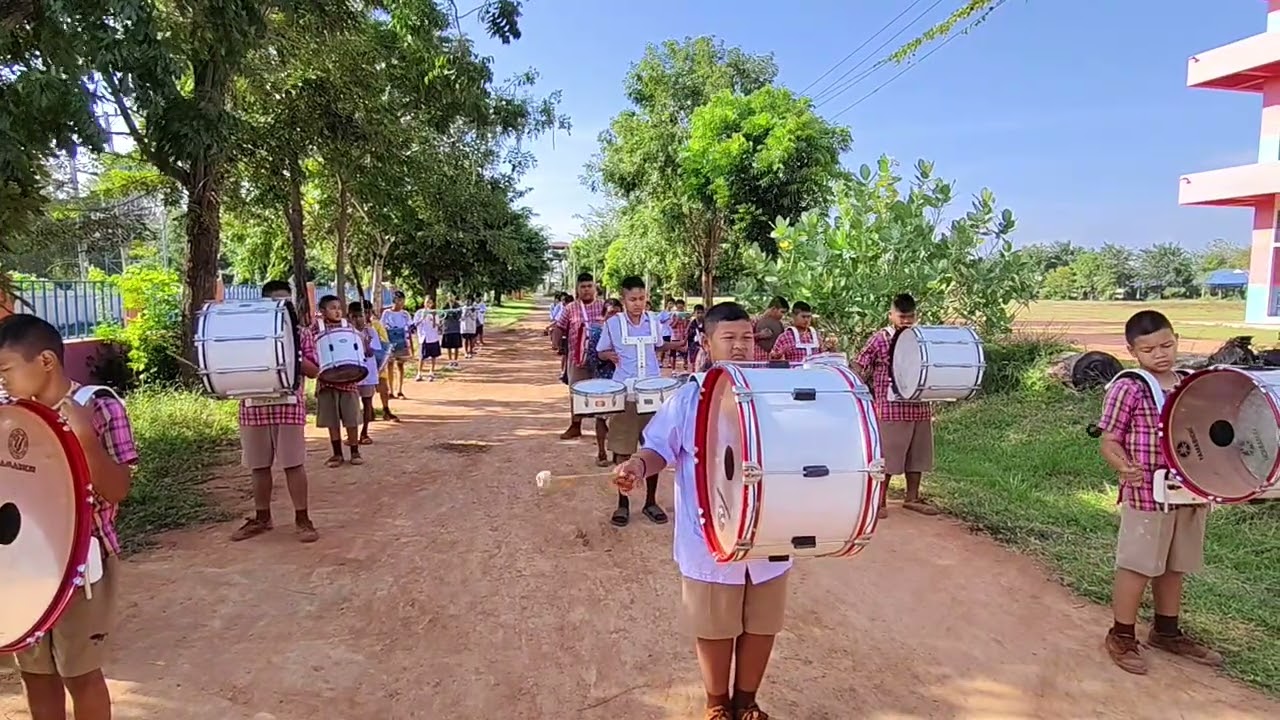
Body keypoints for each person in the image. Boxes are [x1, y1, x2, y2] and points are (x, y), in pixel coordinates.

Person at [613, 301, 786, 720]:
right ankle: (717, 704)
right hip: (709, 535)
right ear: (707, 344)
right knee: (714, 626)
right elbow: (658, 448)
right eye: (729, 338)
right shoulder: (689, 397)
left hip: (769, 531)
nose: (741, 346)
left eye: (747, 337)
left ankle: (748, 701)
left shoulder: (776, 395)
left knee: (761, 624)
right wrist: (637, 465)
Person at [0, 314, 139, 720]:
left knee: (81, 675)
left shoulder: (98, 406)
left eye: (6, 369)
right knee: (36, 675)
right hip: (23, 562)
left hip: (83, 565)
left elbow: (118, 490)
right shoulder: (9, 416)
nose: (2, 380)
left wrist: (86, 443)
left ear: (45, 361)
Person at [1096, 310, 1223, 675]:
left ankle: (1167, 631)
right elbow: (1110, 439)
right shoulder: (1129, 387)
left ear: (1177, 339)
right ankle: (1121, 634)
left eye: (1167, 345)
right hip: (1146, 492)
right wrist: (1122, 466)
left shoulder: (1190, 382)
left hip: (1188, 490)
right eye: (1149, 349)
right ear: (1132, 351)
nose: (1160, 354)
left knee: (1174, 564)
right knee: (1138, 564)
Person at [230, 280, 322, 543]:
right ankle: (262, 517)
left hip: (289, 406)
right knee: (258, 465)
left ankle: (303, 519)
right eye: (276, 302)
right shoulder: (247, 334)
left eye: (287, 302)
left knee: (293, 464)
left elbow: (315, 370)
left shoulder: (302, 333)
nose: (283, 307)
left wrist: (288, 352)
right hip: (253, 405)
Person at [598, 276, 680, 527]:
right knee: (622, 449)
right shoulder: (613, 324)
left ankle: (650, 502)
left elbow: (658, 346)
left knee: (653, 448)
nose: (638, 304)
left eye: (642, 298)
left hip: (653, 393)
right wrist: (609, 355)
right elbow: (601, 351)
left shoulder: (654, 322)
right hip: (626, 393)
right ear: (623, 300)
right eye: (632, 299)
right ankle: (622, 505)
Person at [854, 293, 937, 517]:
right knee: (888, 455)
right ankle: (879, 501)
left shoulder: (922, 339)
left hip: (919, 405)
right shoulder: (880, 339)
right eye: (902, 317)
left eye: (910, 317)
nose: (906, 321)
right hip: (890, 407)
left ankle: (912, 497)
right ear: (891, 315)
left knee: (918, 454)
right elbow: (860, 364)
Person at [551, 272, 605, 440]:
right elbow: (559, 327)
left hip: (601, 360)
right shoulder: (570, 308)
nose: (587, 290)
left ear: (595, 288)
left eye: (590, 286)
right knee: (576, 392)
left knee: (603, 393)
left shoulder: (604, 306)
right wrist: (556, 342)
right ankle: (575, 425)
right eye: (583, 287)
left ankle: (603, 428)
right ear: (577, 289)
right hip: (577, 358)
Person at [316, 295, 364, 467]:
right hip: (326, 381)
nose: (337, 311)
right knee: (332, 419)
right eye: (332, 308)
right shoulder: (316, 328)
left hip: (349, 380)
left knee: (351, 418)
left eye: (339, 308)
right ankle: (336, 453)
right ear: (322, 311)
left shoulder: (348, 327)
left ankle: (354, 451)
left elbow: (360, 346)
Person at [583, 298, 623, 467]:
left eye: (617, 312)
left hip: (622, 381)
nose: (614, 316)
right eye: (610, 313)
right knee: (601, 418)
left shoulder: (627, 333)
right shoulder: (598, 333)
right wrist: (604, 356)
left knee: (619, 419)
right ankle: (601, 452)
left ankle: (617, 453)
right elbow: (591, 359)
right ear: (603, 315)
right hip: (603, 379)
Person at [349, 302, 383, 446]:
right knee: (352, 404)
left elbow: (370, 352)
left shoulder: (371, 332)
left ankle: (365, 432)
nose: (357, 320)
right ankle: (353, 433)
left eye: (360, 316)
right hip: (351, 373)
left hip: (368, 371)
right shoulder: (347, 332)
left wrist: (367, 344)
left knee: (367, 402)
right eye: (354, 316)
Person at [363, 299, 398, 422]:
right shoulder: (354, 327)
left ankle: (386, 409)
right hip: (363, 362)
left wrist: (383, 359)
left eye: (367, 312)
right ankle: (369, 410)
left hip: (377, 360)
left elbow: (384, 342)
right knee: (367, 388)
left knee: (383, 385)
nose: (365, 315)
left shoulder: (376, 325)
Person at [380, 291, 413, 400]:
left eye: (402, 300)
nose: (401, 303)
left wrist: (410, 345)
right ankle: (390, 391)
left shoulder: (405, 314)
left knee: (400, 365)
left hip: (401, 341)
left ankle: (399, 390)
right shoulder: (387, 313)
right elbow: (382, 327)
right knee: (390, 365)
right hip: (390, 341)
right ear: (394, 300)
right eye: (399, 300)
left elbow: (410, 328)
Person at [414, 298, 442, 381]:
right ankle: (419, 373)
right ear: (424, 303)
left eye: (430, 302)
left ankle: (431, 372)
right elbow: (415, 324)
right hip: (423, 337)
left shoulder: (434, 313)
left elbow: (436, 325)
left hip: (433, 337)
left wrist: (433, 316)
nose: (428, 304)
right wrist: (423, 317)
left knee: (433, 356)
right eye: (427, 302)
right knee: (422, 356)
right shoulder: (419, 312)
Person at [668, 299, 690, 370]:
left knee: (685, 353)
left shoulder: (685, 314)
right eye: (679, 307)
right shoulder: (673, 314)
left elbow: (687, 325)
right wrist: (677, 320)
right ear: (676, 307)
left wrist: (686, 320)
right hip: (674, 337)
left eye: (681, 307)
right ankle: (673, 370)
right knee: (673, 354)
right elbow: (671, 325)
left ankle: (685, 368)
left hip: (683, 337)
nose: (680, 309)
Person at [440, 301, 463, 369]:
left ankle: (455, 360)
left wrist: (454, 313)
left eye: (452, 296)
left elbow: (459, 316)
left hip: (455, 329)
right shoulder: (444, 307)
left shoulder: (458, 307)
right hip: (447, 329)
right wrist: (447, 313)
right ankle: (450, 360)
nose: (450, 298)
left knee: (456, 346)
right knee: (448, 346)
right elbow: (442, 316)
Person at [687, 303, 706, 371]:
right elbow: (688, 336)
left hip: (705, 347)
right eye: (698, 313)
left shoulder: (706, 324)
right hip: (694, 347)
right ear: (694, 313)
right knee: (694, 364)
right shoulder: (691, 324)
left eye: (701, 313)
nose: (700, 315)